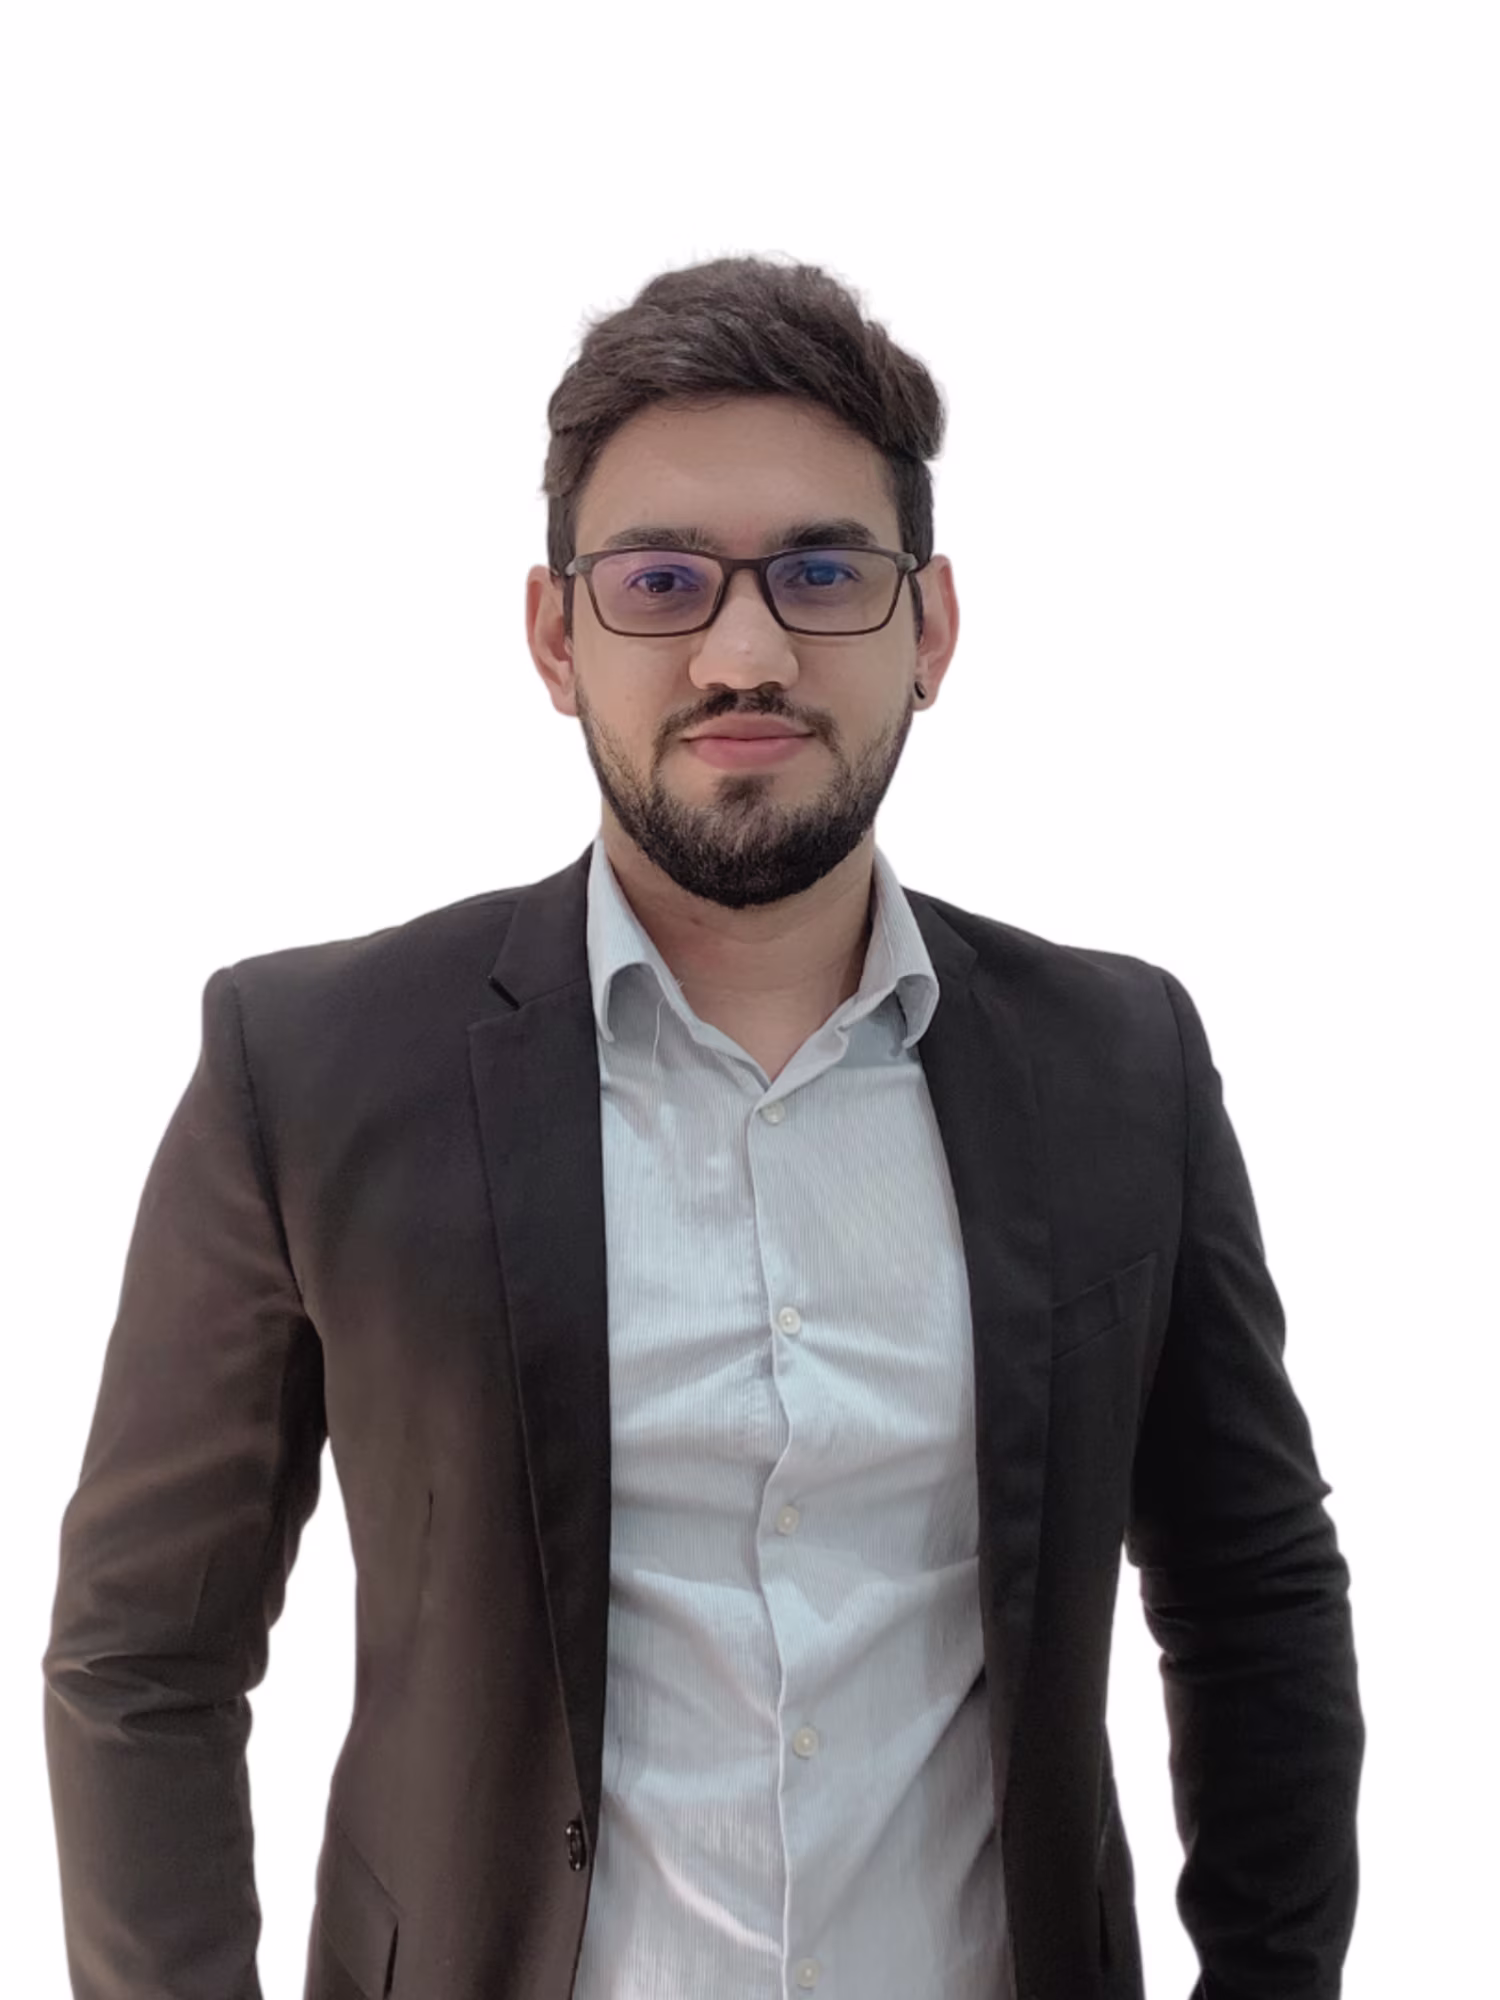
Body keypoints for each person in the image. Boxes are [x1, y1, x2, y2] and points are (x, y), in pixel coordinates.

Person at [42, 255, 1364, 2000]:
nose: (746, 652)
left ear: (931, 629)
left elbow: (1256, 1593)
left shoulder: (1122, 1065)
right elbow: (145, 1658)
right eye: (662, 580)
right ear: (556, 635)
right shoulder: (308, 1068)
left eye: (823, 571)